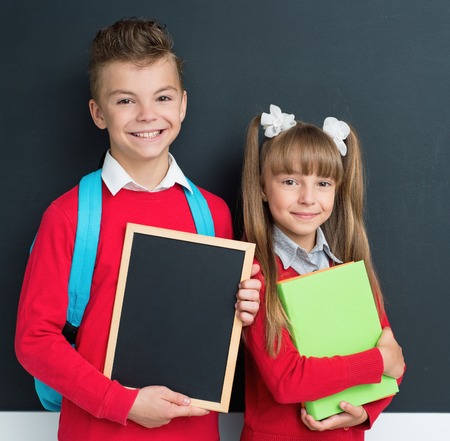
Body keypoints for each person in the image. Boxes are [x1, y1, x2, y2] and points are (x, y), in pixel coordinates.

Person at [15, 17, 260, 441]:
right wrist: (123, 404)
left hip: (194, 432)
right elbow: (34, 340)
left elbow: (216, 331)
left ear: (182, 105)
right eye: (125, 101)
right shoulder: (69, 215)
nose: (148, 115)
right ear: (98, 112)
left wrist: (246, 308)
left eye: (162, 97)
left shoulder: (214, 214)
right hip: (98, 431)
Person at [239, 104, 405, 440]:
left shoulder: (348, 268)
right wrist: (377, 363)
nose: (308, 198)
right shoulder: (254, 274)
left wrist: (363, 413)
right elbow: (288, 381)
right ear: (261, 188)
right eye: (290, 181)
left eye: (323, 183)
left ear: (338, 189)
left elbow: (394, 367)